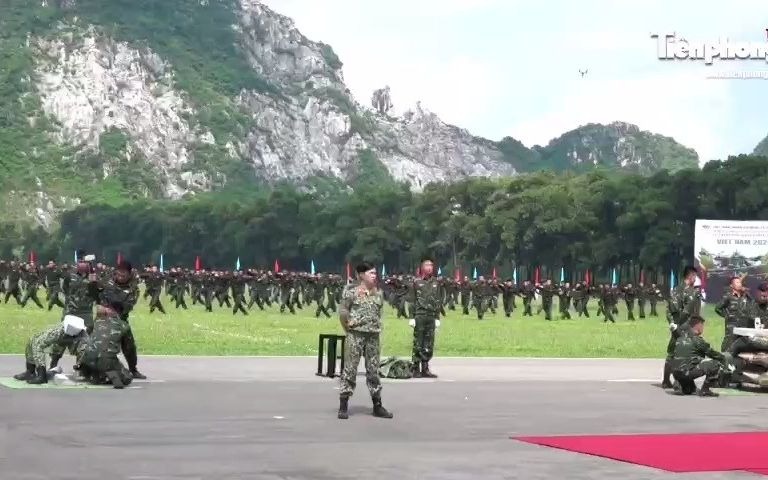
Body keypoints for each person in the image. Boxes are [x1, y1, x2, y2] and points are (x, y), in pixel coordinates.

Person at [337, 262, 392, 420]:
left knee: (373, 371)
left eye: (375, 273)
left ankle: (377, 405)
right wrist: (348, 328)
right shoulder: (351, 292)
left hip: (373, 335)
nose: (374, 276)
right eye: (371, 273)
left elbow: (378, 312)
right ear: (361, 275)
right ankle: (343, 405)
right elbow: (343, 311)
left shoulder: (378, 293)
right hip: (356, 334)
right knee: (350, 369)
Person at [13, 315, 89, 384]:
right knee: (33, 340)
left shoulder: (84, 339)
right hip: (65, 332)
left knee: (37, 345)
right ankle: (30, 372)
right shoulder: (59, 332)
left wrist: (81, 367)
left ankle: (41, 376)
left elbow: (84, 352)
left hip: (70, 334)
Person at [661, 265, 701, 388]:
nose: (696, 278)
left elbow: (669, 310)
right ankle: (680, 381)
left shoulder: (675, 290)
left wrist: (672, 324)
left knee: (672, 353)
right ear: (691, 276)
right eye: (695, 276)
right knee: (685, 354)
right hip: (686, 327)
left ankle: (666, 380)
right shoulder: (691, 292)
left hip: (675, 326)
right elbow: (691, 312)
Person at [670, 315, 728, 397]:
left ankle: (680, 383)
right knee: (715, 364)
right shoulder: (697, 340)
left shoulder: (680, 338)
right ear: (698, 325)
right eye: (702, 325)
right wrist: (724, 359)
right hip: (686, 372)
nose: (703, 328)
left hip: (676, 373)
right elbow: (712, 354)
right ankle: (705, 390)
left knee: (689, 390)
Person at [409, 258, 444, 377]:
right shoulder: (416, 282)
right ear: (422, 267)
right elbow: (412, 300)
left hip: (431, 315)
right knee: (418, 342)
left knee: (429, 343)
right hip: (420, 315)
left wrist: (437, 317)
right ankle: (415, 368)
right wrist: (411, 317)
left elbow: (438, 300)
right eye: (427, 265)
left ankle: (425, 368)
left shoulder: (436, 282)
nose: (429, 267)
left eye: (431, 265)